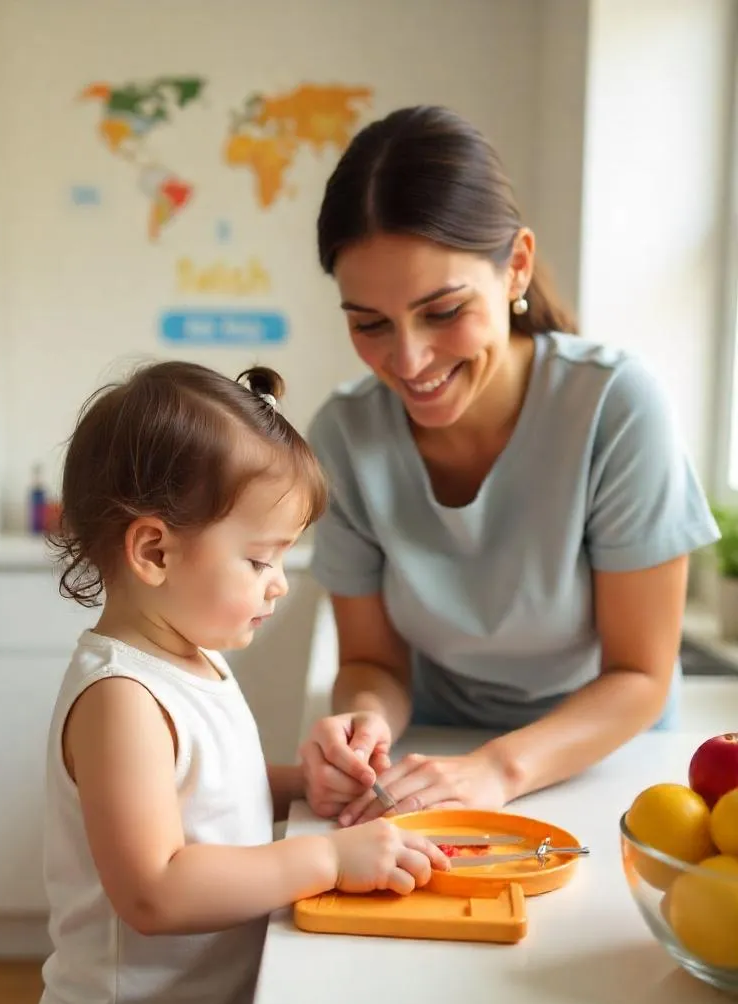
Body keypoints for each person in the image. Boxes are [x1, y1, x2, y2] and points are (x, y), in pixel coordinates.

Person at [27, 360, 448, 1004]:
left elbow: (197, 793)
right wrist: (329, 858)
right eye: (260, 559)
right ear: (154, 550)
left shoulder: (191, 658)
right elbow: (155, 888)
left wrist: (302, 786)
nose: (280, 584)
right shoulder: (121, 697)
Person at [298, 104, 720, 828]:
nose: (408, 360)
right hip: (434, 753)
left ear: (516, 265)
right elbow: (375, 664)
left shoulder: (616, 407)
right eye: (369, 323)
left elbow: (641, 675)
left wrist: (500, 768)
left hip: (605, 760)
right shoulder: (344, 435)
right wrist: (365, 724)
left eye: (442, 311)